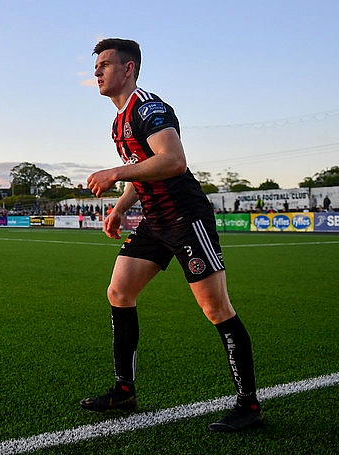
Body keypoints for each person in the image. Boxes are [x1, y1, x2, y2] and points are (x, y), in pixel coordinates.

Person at [80, 38, 262, 433]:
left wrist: (115, 173)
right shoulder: (118, 120)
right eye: (96, 65)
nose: (97, 71)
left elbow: (173, 161)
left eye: (106, 64)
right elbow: (142, 167)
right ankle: (124, 390)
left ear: (129, 69)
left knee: (216, 310)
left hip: (185, 217)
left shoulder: (148, 107)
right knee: (119, 291)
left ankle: (249, 405)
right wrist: (119, 208)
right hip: (154, 221)